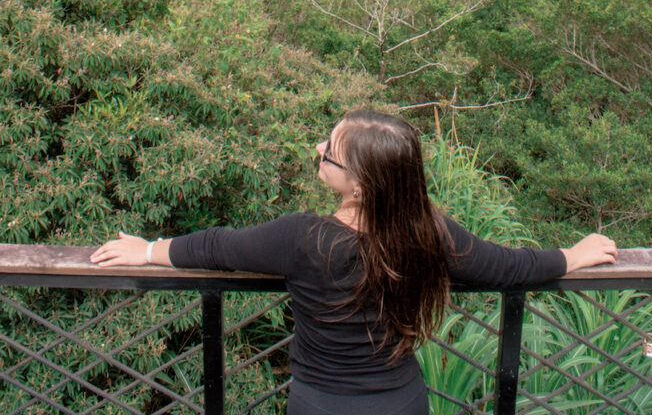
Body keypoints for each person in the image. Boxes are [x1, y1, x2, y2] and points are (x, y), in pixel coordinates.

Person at [90, 109, 618, 415]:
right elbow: (508, 267)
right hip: (401, 401)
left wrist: (149, 250)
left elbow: (215, 248)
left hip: (322, 404)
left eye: (330, 150)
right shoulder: (431, 232)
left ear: (361, 183)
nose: (318, 147)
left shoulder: (304, 238)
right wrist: (572, 256)